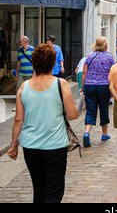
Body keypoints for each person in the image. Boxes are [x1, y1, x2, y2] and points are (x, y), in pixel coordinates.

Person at [7, 44, 78, 203]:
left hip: (31, 147)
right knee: (54, 190)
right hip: (55, 146)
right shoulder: (61, 84)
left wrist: (13, 145)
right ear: (53, 63)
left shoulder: (24, 87)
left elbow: (18, 120)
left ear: (34, 62)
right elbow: (73, 114)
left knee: (38, 189)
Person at [80, 37, 115, 146]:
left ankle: (86, 133)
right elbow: (112, 72)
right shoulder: (109, 57)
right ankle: (104, 134)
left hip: (90, 85)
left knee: (90, 110)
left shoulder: (89, 56)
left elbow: (84, 72)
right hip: (103, 86)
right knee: (104, 109)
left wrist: (82, 86)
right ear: (105, 45)